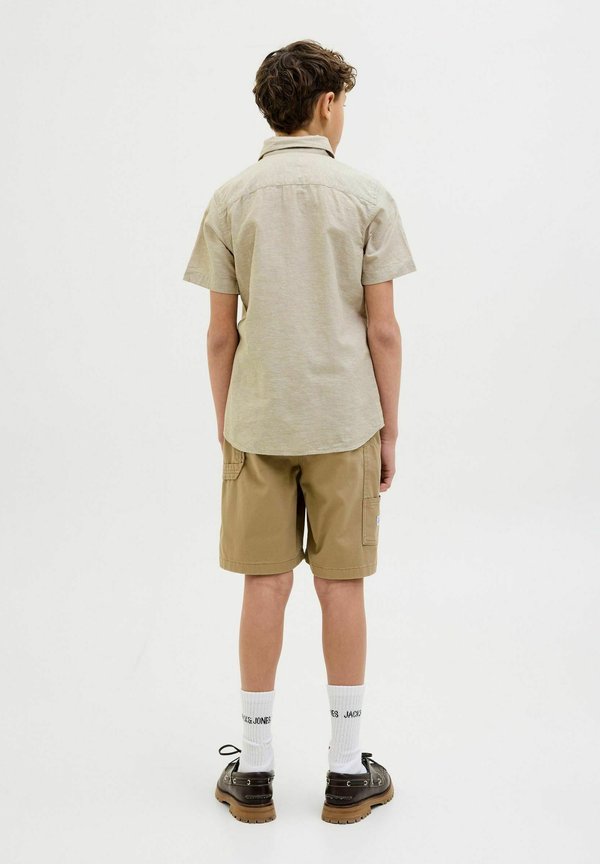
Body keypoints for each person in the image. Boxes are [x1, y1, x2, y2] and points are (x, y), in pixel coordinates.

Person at [182, 39, 416, 824]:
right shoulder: (366, 197)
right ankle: (347, 771)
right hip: (345, 419)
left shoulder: (230, 199)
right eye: (342, 103)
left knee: (265, 583)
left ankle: (254, 770)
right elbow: (383, 331)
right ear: (327, 104)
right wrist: (389, 431)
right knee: (340, 585)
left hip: (259, 420)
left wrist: (229, 425)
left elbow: (220, 334)